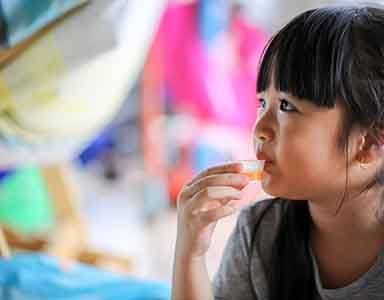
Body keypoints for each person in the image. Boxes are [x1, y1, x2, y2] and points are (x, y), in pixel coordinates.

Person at [172, 5, 384, 300]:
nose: (260, 127)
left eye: (287, 106)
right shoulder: (260, 232)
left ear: (369, 143)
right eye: (262, 103)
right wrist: (190, 253)